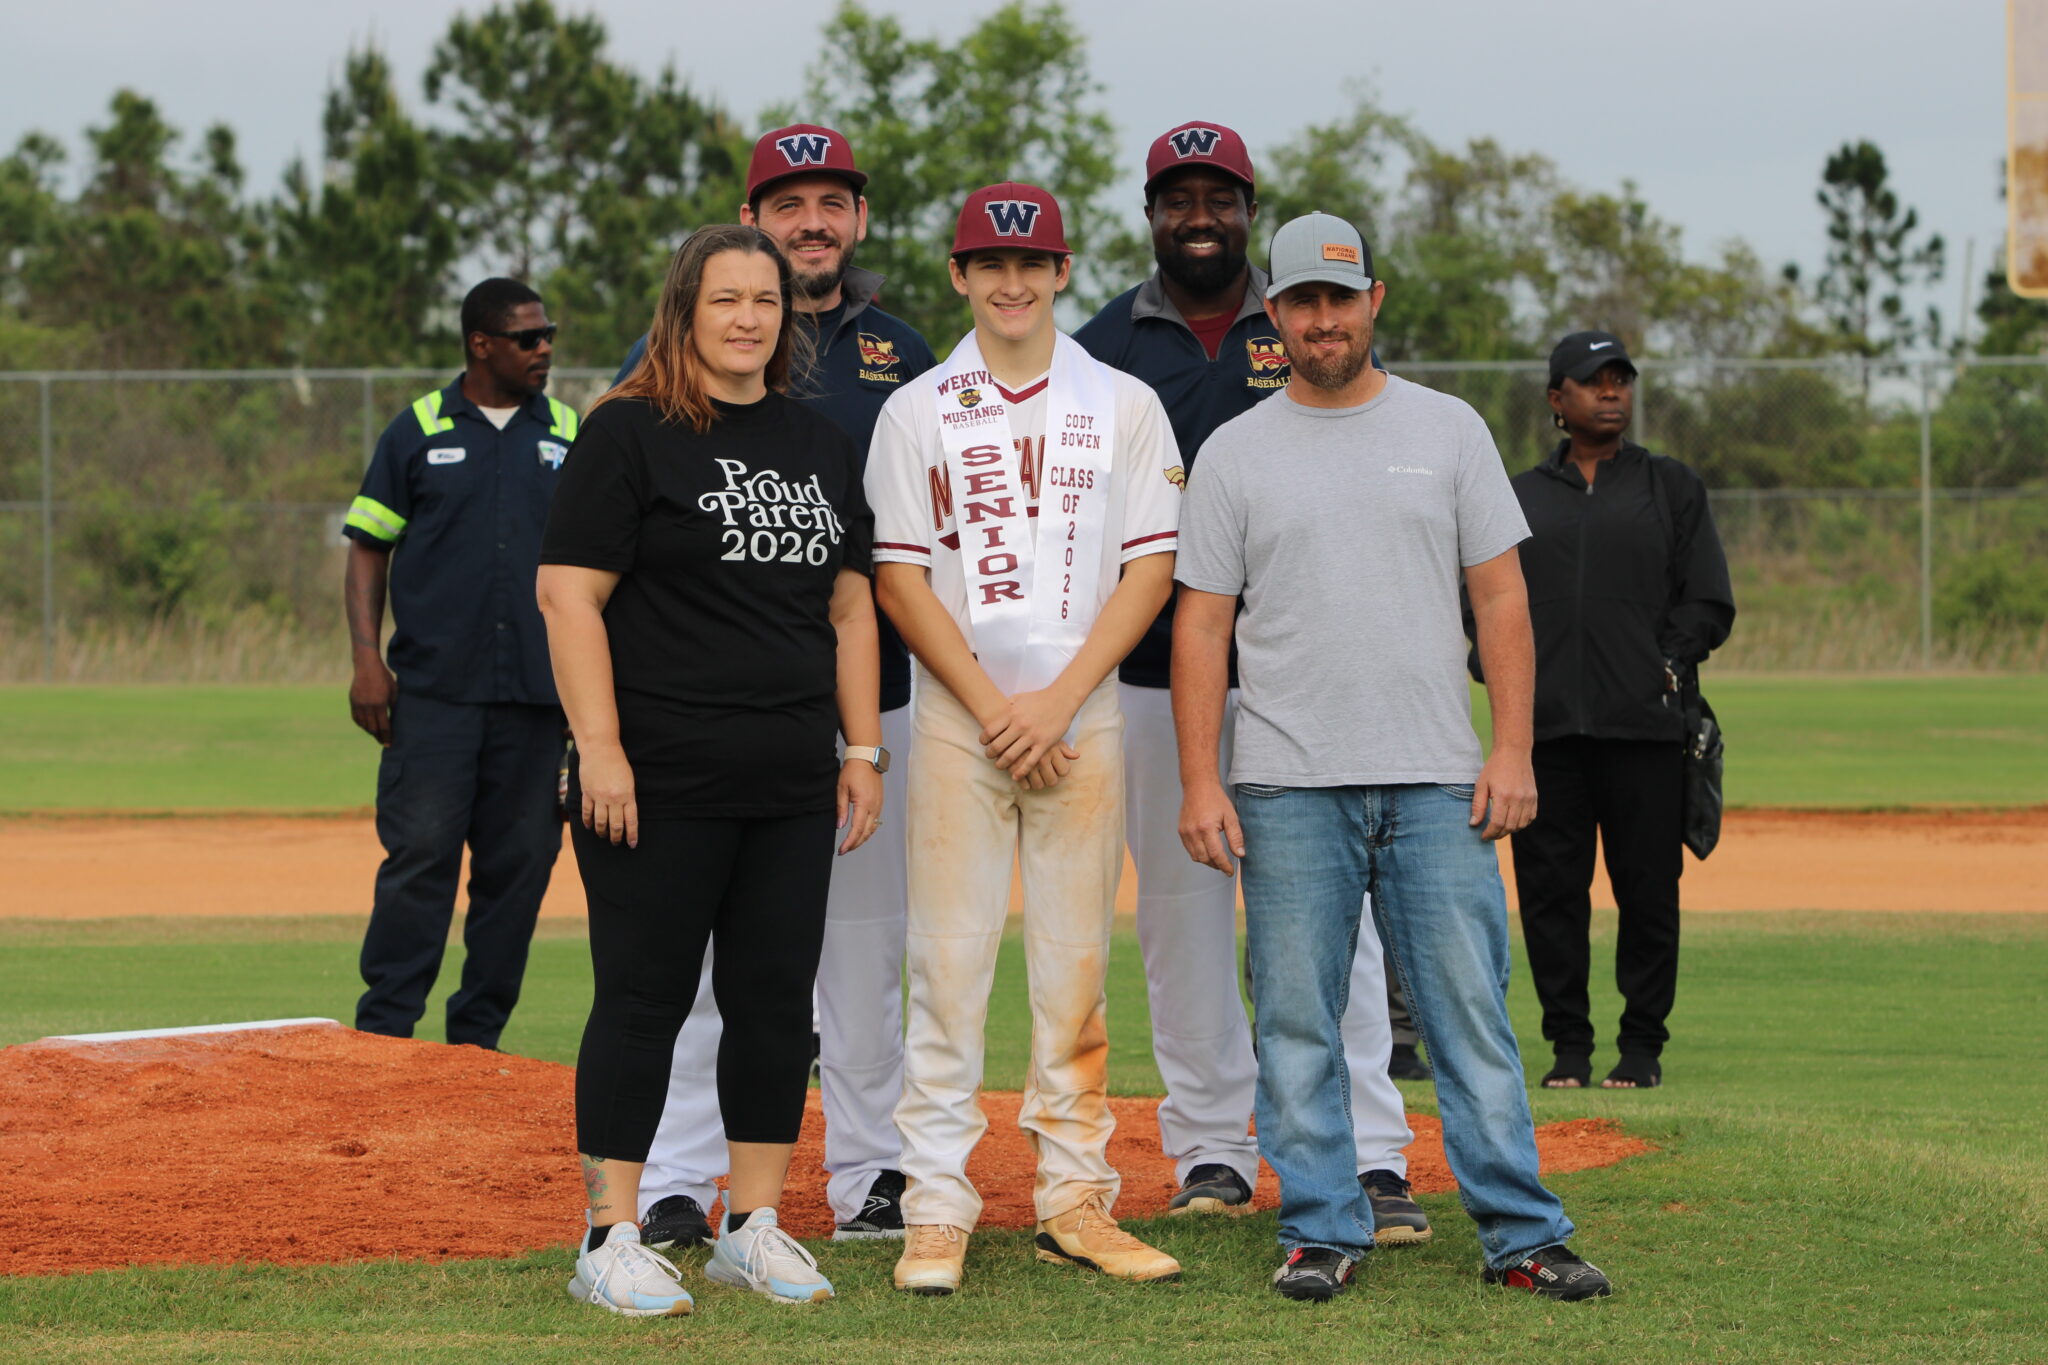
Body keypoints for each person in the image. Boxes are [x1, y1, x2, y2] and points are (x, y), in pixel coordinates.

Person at [1173, 212, 1612, 1303]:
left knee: (1468, 1015)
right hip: (1284, 779)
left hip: (1434, 776)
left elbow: (1500, 597)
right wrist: (1197, 777)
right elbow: (1200, 625)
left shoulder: (1448, 428)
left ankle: (1520, 1232)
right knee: (1294, 1020)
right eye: (1299, 301)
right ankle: (1322, 1224)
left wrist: (1509, 748)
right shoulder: (1235, 451)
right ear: (1271, 316)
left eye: (1339, 296)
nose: (1321, 319)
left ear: (1372, 300)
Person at [1073, 121, 1432, 1243]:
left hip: (1300, 668)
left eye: (1216, 197)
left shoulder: (1303, 325)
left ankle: (1372, 1152)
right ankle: (1212, 1149)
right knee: (1180, 920)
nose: (1197, 216)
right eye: (1176, 197)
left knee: (1342, 926)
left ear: (1245, 209)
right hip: (1145, 673)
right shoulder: (1100, 346)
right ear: (1148, 213)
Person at [537, 224, 885, 1314]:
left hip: (786, 775)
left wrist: (862, 747)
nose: (746, 318)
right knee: (643, 1000)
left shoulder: (817, 443)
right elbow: (567, 595)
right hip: (653, 777)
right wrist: (599, 748)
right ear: (684, 309)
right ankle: (608, 1235)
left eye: (765, 302)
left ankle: (753, 1223)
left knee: (774, 1004)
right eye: (725, 299)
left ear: (788, 319)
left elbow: (848, 605)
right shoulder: (628, 434)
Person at [614, 124, 937, 1252]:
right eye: (787, 201)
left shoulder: (906, 353)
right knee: (705, 965)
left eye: (831, 202)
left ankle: (870, 1178)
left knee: (861, 951)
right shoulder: (668, 361)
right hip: (704, 715)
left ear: (856, 218)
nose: (812, 220)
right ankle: (677, 1180)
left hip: (861, 704)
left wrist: (868, 741)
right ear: (751, 218)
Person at [867, 183, 1184, 1296]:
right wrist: (998, 708)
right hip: (958, 719)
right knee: (945, 969)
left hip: (1079, 712)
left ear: (1059, 272)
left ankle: (1073, 1201)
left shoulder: (1124, 402)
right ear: (958, 275)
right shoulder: (916, 408)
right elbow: (898, 578)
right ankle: (936, 1210)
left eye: (1032, 263)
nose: (1011, 282)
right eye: (988, 264)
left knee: (1075, 971)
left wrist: (1055, 701)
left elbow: (1151, 567)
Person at [343, 277, 575, 1050]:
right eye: (527, 337)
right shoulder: (416, 431)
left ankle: (476, 1045)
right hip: (436, 697)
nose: (544, 349)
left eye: (548, 335)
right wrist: (366, 661)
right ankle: (384, 1036)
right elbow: (368, 550)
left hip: (542, 703)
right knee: (420, 863)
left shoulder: (573, 433)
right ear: (481, 343)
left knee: (518, 876)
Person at [1501, 331, 1734, 1091]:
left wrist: (1665, 664)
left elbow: (1707, 599)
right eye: (1593, 380)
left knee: (1647, 893)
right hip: (1544, 735)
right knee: (1551, 898)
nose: (1611, 392)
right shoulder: (1519, 496)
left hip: (1644, 731)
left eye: (1621, 379)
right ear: (1556, 400)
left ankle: (1641, 1048)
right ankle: (1568, 1047)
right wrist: (1492, 664)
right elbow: (1478, 602)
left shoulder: (1671, 487)